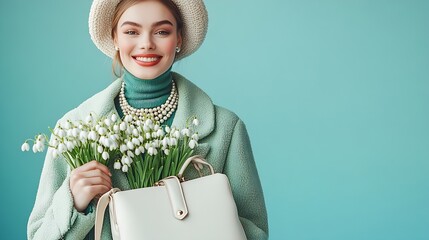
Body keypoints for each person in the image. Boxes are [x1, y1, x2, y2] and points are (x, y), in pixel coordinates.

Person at [27, 0, 269, 239]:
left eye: (162, 31)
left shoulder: (226, 127)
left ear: (179, 39)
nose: (146, 44)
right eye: (131, 31)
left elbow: (254, 231)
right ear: (115, 38)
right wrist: (74, 203)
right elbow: (39, 235)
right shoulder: (74, 128)